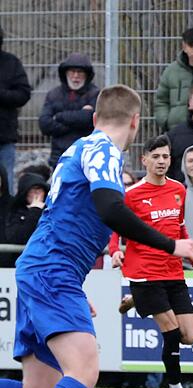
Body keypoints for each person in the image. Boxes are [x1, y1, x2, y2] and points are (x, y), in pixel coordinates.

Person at [0, 84, 193, 388]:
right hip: (52, 271)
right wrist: (174, 244)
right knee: (84, 369)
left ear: (94, 118)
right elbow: (111, 209)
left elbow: (67, 218)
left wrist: (71, 285)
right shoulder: (104, 151)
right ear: (135, 122)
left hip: (45, 269)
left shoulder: (78, 149)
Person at [110, 134, 193, 388]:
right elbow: (114, 226)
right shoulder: (131, 195)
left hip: (173, 270)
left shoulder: (178, 190)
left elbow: (178, 228)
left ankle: (135, 300)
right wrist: (114, 251)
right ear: (144, 159)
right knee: (171, 329)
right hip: (143, 271)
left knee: (189, 336)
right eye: (155, 156)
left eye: (165, 156)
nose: (161, 161)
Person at [39, 53, 100, 168]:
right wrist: (78, 119)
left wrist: (59, 117)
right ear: (65, 73)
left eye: (80, 72)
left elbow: (90, 119)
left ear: (87, 75)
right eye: (72, 71)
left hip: (87, 157)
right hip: (59, 157)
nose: (75, 76)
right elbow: (44, 124)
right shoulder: (53, 94)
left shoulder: (95, 94)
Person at [0, 24, 32, 193]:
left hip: (4, 136)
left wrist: (2, 94)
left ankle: (5, 219)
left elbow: (24, 94)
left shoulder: (11, 63)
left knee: (6, 186)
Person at [4, 172, 49, 264]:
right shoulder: (14, 211)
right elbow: (17, 238)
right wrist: (34, 210)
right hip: (21, 263)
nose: (37, 193)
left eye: (39, 189)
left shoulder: (51, 211)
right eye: (33, 190)